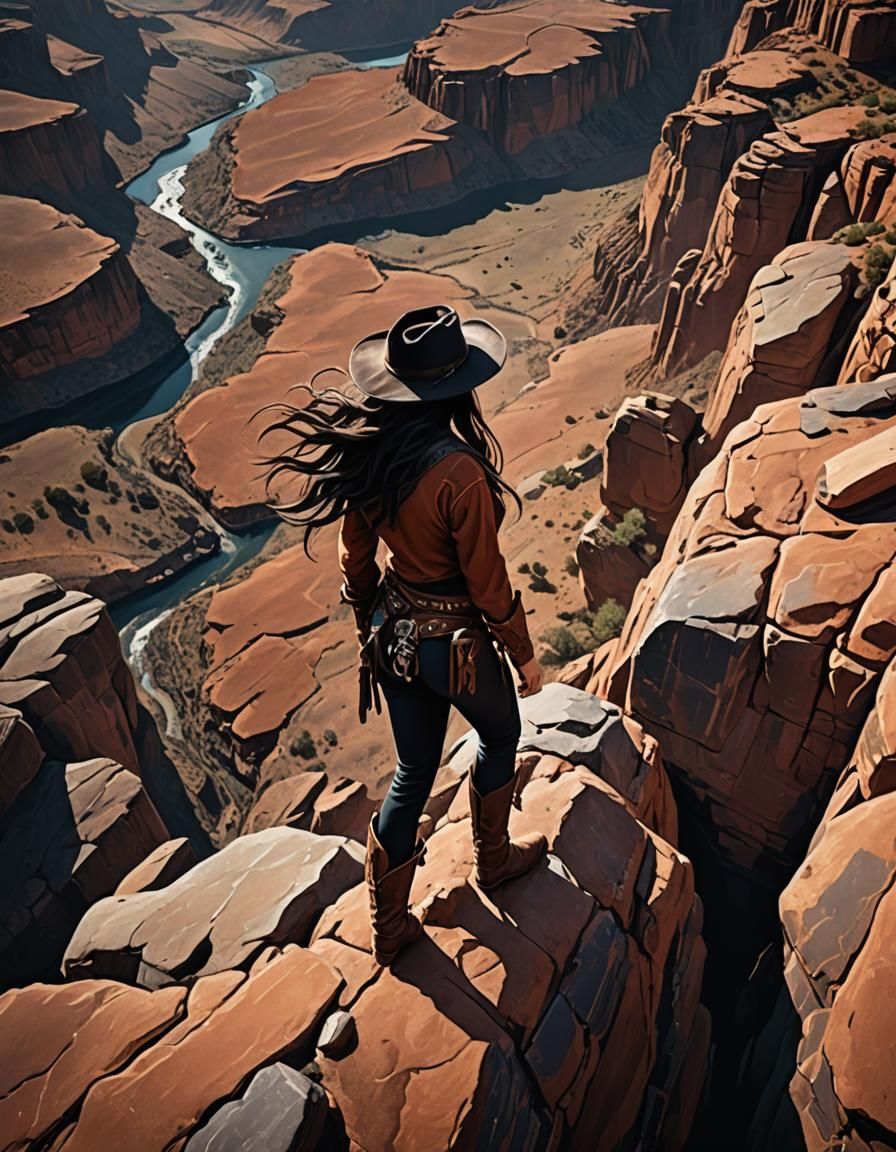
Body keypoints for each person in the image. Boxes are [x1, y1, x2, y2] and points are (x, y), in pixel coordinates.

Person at [261, 304, 547, 967]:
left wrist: (369, 620)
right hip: (460, 650)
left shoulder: (373, 457)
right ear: (458, 386)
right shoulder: (461, 472)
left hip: (394, 635)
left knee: (413, 772)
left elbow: (354, 557)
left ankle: (390, 930)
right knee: (500, 734)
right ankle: (494, 862)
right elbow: (487, 582)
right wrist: (523, 654)